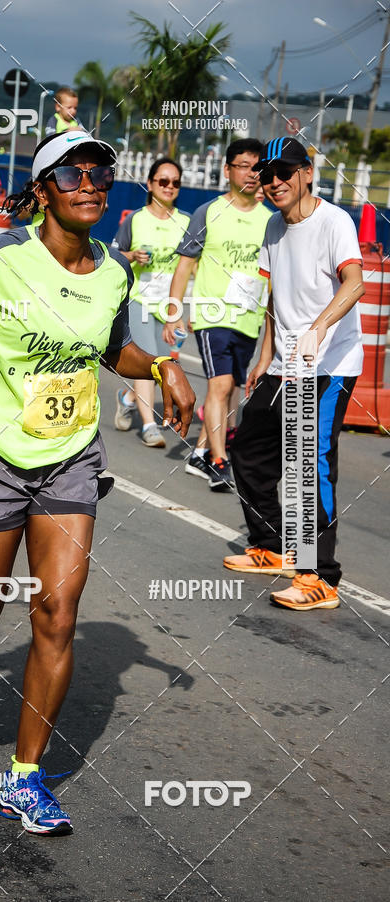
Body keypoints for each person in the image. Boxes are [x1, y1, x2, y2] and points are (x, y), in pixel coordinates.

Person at [0, 130, 195, 834]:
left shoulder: (111, 270)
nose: (92, 184)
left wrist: (164, 366)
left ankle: (24, 779)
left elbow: (112, 349)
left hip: (70, 456)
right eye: (75, 173)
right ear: (45, 187)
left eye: (103, 174)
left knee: (57, 612)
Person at [223, 137, 364, 611]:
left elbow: (355, 282)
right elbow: (273, 299)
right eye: (268, 175)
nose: (276, 182)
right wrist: (264, 356)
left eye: (285, 172)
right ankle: (273, 545)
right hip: (284, 362)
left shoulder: (334, 221)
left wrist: (319, 330)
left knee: (308, 460)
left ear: (307, 172)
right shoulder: (271, 227)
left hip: (329, 363)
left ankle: (319, 576)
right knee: (248, 447)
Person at [164, 138, 271, 490]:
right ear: (227, 170)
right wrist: (174, 313)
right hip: (213, 315)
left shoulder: (270, 221)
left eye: (258, 167)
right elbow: (184, 266)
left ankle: (199, 451)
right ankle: (219, 461)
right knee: (221, 385)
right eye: (243, 165)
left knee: (232, 391)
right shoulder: (208, 212)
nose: (252, 174)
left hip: (250, 318)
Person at [112, 158, 192, 447]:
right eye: (163, 181)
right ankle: (149, 425)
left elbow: (190, 268)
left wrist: (181, 310)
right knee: (151, 360)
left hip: (169, 304)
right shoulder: (135, 219)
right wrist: (133, 255)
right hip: (139, 300)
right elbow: (115, 255)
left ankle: (128, 397)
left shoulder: (186, 222)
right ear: (150, 184)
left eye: (175, 183)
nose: (169, 187)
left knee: (163, 365)